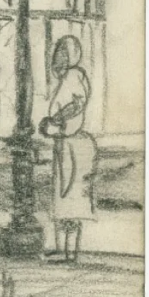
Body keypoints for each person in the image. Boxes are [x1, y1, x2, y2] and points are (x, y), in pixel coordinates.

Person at [42, 101, 98, 262]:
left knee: (70, 219)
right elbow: (91, 164)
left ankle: (70, 254)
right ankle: (66, 251)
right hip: (74, 186)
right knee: (68, 219)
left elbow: (73, 165)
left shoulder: (69, 140)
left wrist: (67, 188)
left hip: (71, 187)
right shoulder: (84, 138)